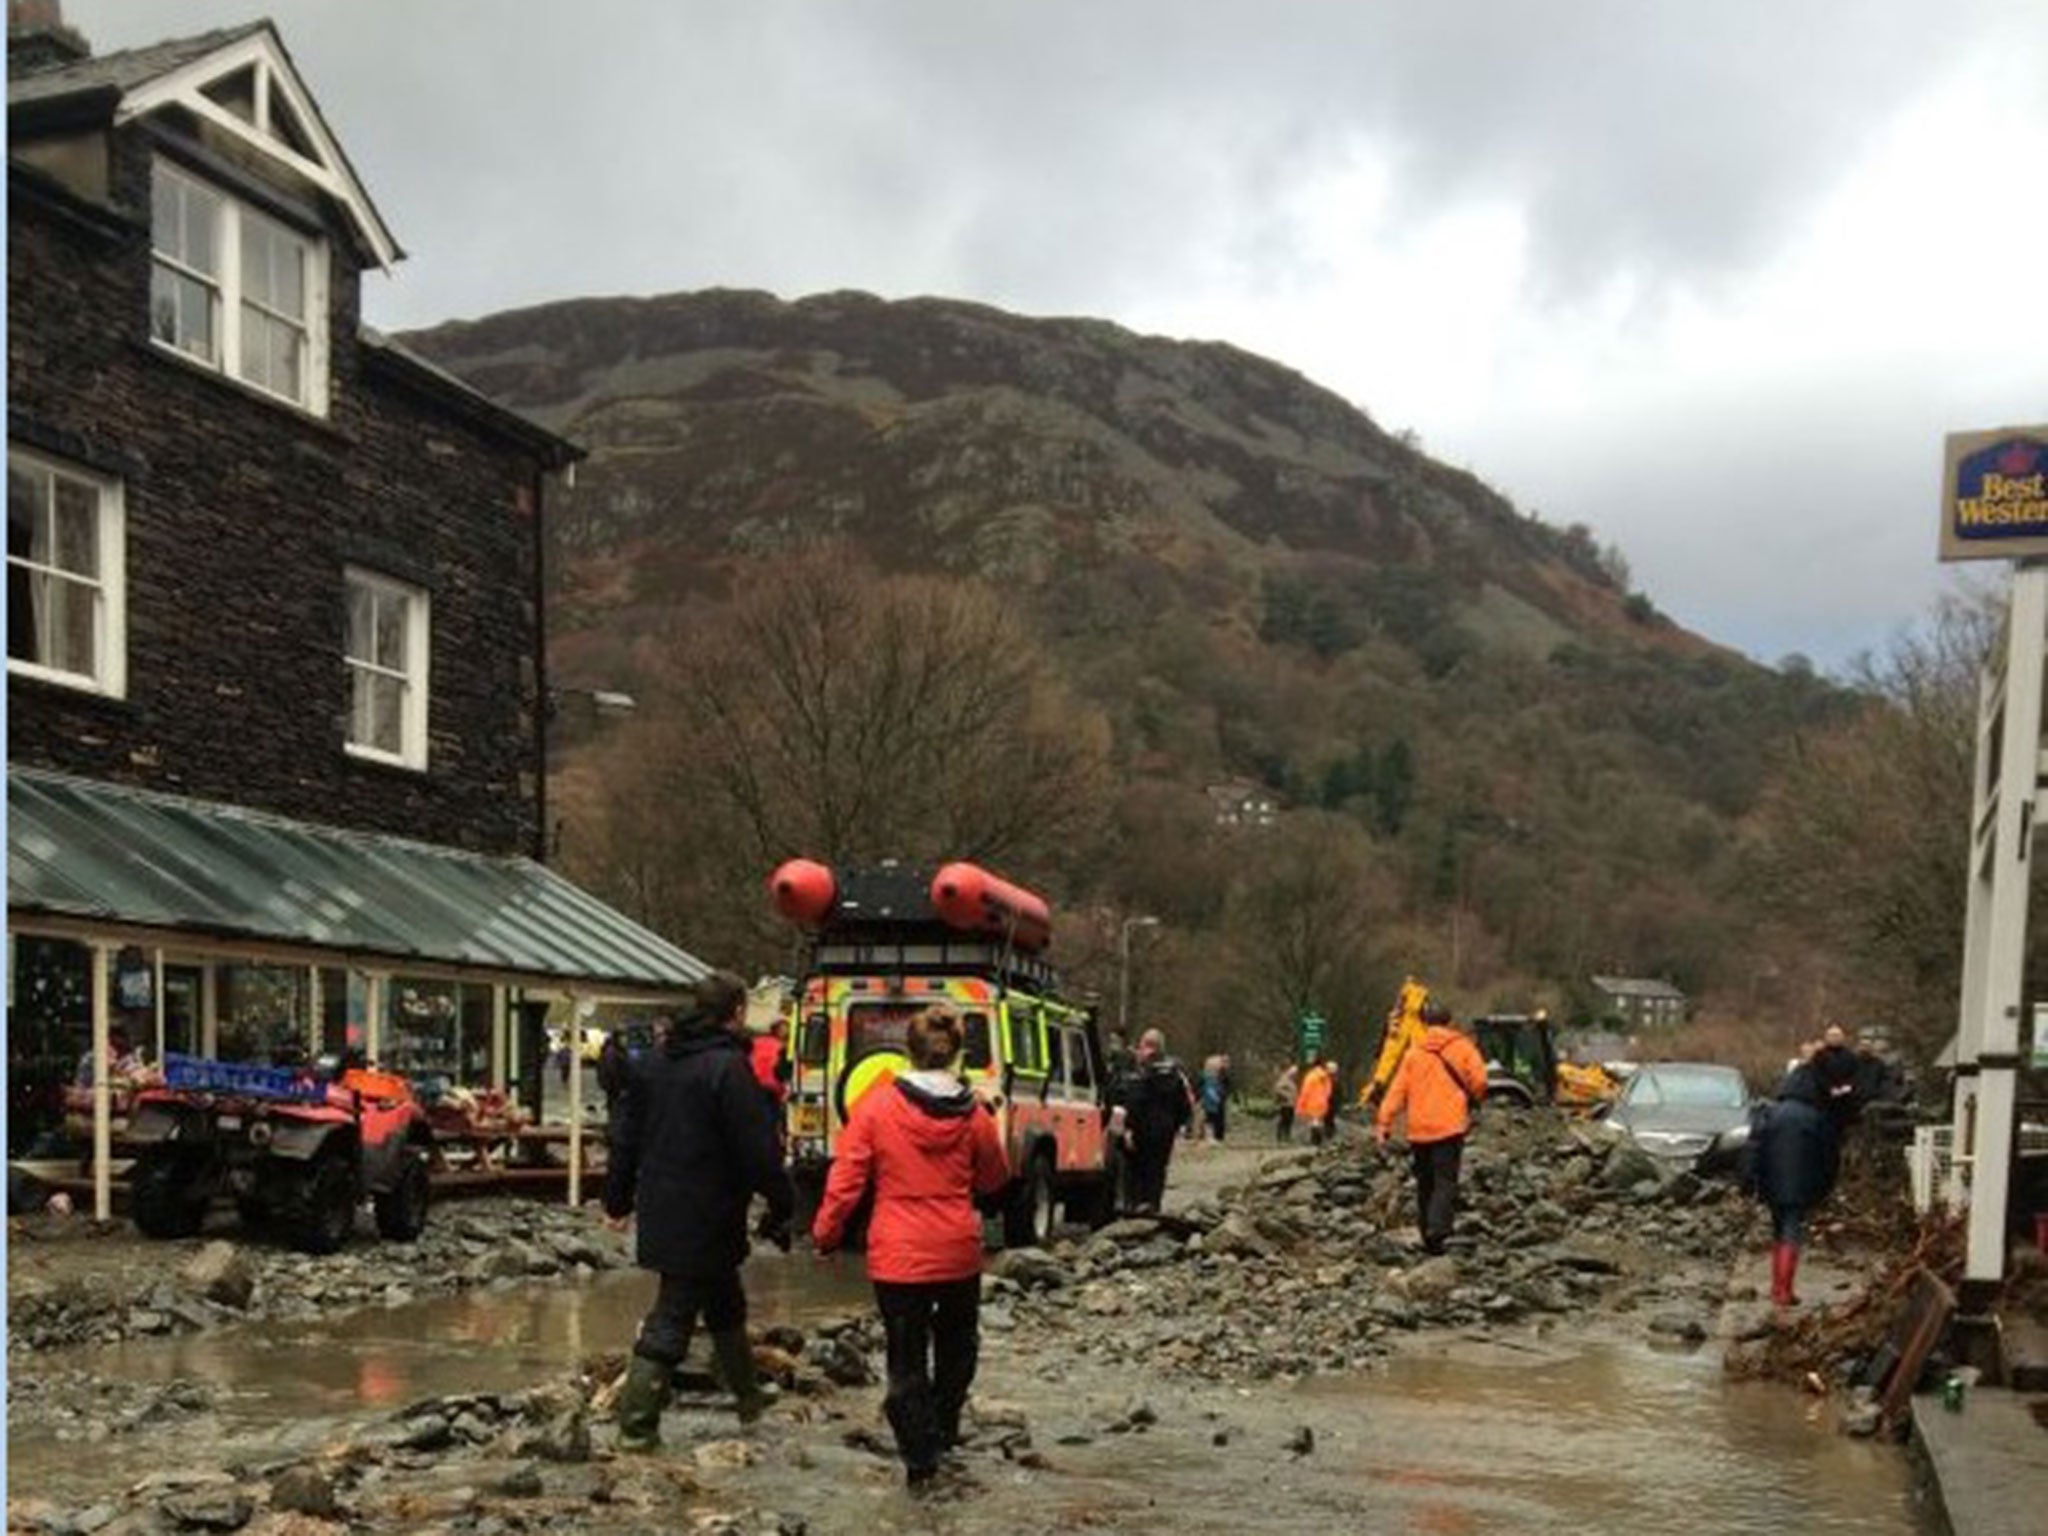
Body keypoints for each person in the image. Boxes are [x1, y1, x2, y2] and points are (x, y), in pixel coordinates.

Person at [813, 1008, 1008, 1491]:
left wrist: (825, 1235)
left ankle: (921, 1462)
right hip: (957, 1248)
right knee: (958, 1348)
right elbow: (995, 1177)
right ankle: (943, 1432)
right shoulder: (975, 1113)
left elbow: (847, 1180)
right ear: (957, 1052)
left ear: (907, 1049)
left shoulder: (876, 1107)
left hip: (899, 1252)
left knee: (905, 1359)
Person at [604, 972, 795, 1449]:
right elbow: (757, 1150)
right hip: (710, 1208)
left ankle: (747, 1395)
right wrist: (783, 1201)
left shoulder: (653, 1063)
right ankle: (636, 1427)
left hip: (663, 1204)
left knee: (725, 1301)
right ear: (736, 1012)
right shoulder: (728, 1070)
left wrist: (617, 1199)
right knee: (674, 1314)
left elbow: (625, 1137)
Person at [1373, 1002, 1487, 1255]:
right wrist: (1470, 1098)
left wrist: (1384, 1123)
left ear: (1424, 1023)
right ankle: (1439, 1230)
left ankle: (1426, 1233)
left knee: (1425, 1182)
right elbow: (1479, 1080)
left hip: (1419, 1129)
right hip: (1449, 1125)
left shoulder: (1414, 1053)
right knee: (1445, 1180)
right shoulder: (1463, 1047)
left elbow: (1397, 1092)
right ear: (1449, 1021)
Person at [1749, 1060, 1840, 1306]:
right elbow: (1829, 1156)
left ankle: (1777, 1287)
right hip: (1802, 1186)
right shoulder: (1816, 1117)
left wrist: (1749, 1182)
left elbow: (1753, 1149)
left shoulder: (1771, 1113)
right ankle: (1784, 1290)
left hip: (1771, 1183)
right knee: (1791, 1231)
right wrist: (1825, 1187)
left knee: (1778, 1230)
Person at [1110, 1028, 1191, 1213]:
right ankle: (1153, 1205)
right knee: (1158, 1169)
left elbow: (1136, 1102)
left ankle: (1135, 1205)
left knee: (1136, 1167)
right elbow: (1184, 1105)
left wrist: (1128, 1128)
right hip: (1165, 1131)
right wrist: (1175, 1125)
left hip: (1142, 1129)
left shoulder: (1142, 1075)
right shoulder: (1175, 1075)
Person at [750, 1017, 791, 1105]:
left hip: (754, 1085)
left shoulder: (756, 1042)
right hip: (773, 1088)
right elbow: (781, 1069)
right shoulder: (783, 1047)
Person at [1295, 1058, 1333, 1147]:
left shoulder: (1310, 1076)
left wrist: (1300, 1104)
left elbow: (1305, 1091)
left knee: (1313, 1122)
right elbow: (1329, 1091)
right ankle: (1319, 1140)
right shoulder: (1326, 1076)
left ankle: (1315, 1140)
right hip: (1322, 1102)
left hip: (1312, 1102)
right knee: (1319, 1121)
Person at [1199, 1055, 1228, 1143]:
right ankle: (1209, 1137)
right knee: (1209, 1119)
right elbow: (1208, 1089)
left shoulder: (1218, 1077)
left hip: (1216, 1103)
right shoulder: (1207, 1077)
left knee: (1215, 1119)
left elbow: (1220, 1088)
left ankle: (1215, 1137)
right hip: (1210, 1103)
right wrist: (1216, 1098)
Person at [1273, 1061, 1300, 1143]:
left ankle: (1286, 1136)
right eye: (1295, 1073)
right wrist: (1286, 1095)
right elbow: (1277, 1088)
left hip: (1291, 1104)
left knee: (1289, 1121)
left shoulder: (1292, 1081)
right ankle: (1280, 1136)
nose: (1296, 1075)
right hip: (1285, 1104)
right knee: (1284, 1120)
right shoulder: (1285, 1079)